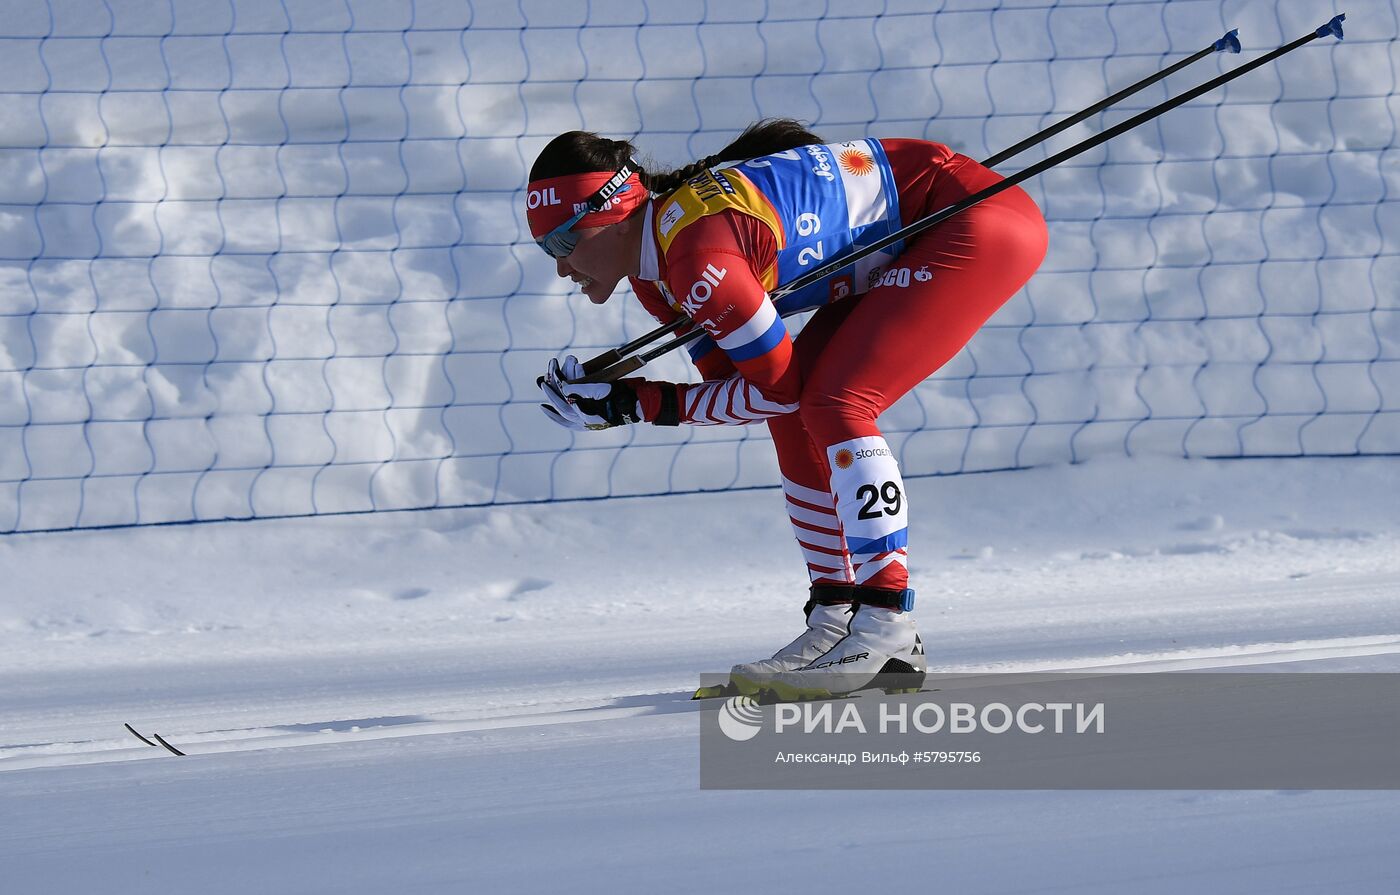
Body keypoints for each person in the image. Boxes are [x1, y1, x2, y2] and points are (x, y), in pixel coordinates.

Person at [524, 119, 1048, 699]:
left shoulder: (697, 259)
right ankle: (835, 621)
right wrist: (632, 401)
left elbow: (770, 390)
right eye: (547, 249)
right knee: (802, 411)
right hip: (918, 223)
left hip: (973, 219)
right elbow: (753, 396)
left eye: (563, 243)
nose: (560, 267)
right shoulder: (659, 278)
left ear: (612, 211)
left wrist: (636, 403)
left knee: (837, 402)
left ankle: (886, 624)